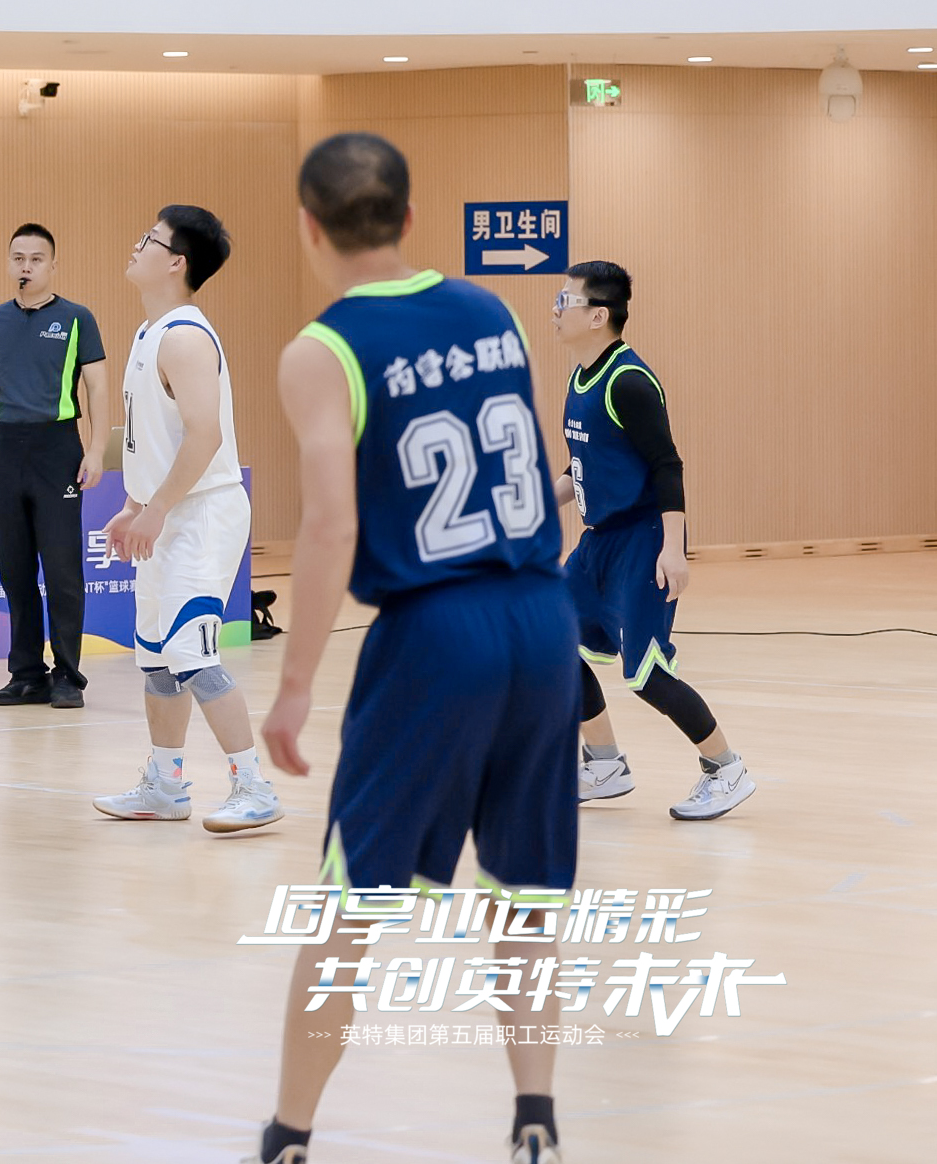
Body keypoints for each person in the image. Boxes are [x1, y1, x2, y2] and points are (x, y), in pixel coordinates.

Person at [257, 134, 578, 1164]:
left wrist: (294, 685)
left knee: (349, 903)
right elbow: (534, 459)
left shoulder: (321, 349)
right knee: (524, 895)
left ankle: (288, 1136)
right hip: (541, 616)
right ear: (407, 216)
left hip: (435, 631)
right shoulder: (494, 311)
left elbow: (329, 524)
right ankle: (535, 1120)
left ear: (308, 227)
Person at [91, 206, 280, 833]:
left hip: (202, 513)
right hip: (166, 511)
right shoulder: (149, 333)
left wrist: (159, 508)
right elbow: (155, 438)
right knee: (156, 660)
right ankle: (166, 785)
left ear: (176, 262)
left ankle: (254, 786)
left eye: (148, 239)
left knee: (193, 656)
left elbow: (205, 436)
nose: (135, 244)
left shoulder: (184, 337)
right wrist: (135, 506)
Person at [552, 260, 753, 821]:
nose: (556, 310)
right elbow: (582, 466)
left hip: (642, 540)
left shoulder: (629, 382)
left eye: (566, 300)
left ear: (598, 316)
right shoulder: (579, 377)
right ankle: (605, 764)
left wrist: (673, 547)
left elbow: (667, 465)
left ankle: (726, 768)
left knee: (646, 674)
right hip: (597, 542)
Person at [0, 223, 111, 710]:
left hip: (57, 448)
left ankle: (67, 675)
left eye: (36, 259)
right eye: (18, 258)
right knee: (15, 568)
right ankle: (27, 674)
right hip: (7, 450)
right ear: (9, 263)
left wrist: (95, 450)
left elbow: (97, 387)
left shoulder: (76, 319)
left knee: (62, 569)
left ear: (52, 265)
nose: (26, 267)